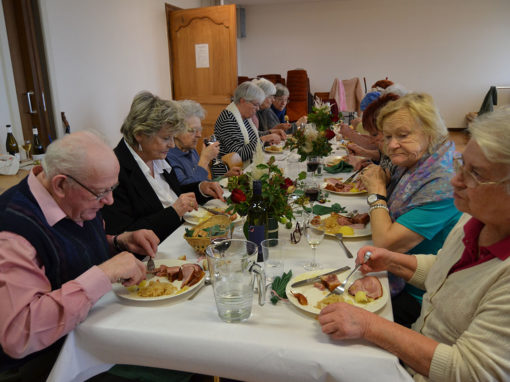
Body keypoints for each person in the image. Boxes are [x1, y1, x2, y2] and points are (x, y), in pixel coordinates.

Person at [319, 107, 510, 381]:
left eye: (475, 174)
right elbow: (446, 267)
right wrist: (393, 261)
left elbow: (469, 371)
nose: (455, 180)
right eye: (460, 165)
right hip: (417, 344)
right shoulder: (476, 219)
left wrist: (369, 325)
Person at [0, 131, 159, 381]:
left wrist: (118, 242)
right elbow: (19, 336)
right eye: (100, 192)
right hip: (47, 364)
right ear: (61, 184)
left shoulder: (78, 200)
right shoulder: (13, 232)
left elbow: (70, 252)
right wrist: (106, 273)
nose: (109, 200)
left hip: (90, 334)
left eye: (112, 188)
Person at [359, 93, 462, 327]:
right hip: (397, 271)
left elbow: (385, 242)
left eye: (403, 135)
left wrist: (376, 192)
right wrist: (383, 179)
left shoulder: (443, 185)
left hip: (420, 296)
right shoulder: (415, 163)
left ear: (430, 133)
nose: (392, 145)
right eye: (387, 137)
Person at [102, 91, 224, 242]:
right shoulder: (116, 171)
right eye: (166, 138)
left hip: (180, 236)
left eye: (173, 137)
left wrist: (201, 188)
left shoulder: (156, 157)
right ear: (139, 134)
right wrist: (174, 212)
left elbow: (174, 194)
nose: (172, 144)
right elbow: (124, 234)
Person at [212, 81, 282, 177]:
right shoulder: (228, 118)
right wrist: (264, 139)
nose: (257, 109)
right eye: (255, 104)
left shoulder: (242, 116)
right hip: (228, 175)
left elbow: (252, 137)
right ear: (242, 100)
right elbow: (238, 155)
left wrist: (269, 133)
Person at [166, 100, 242, 185]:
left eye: (199, 130)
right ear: (175, 131)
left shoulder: (191, 150)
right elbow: (186, 189)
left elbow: (203, 184)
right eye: (192, 130)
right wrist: (205, 159)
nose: (199, 135)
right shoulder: (168, 157)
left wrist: (224, 177)